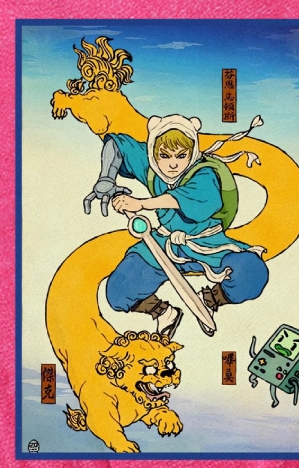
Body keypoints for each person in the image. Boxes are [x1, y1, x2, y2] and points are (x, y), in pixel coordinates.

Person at [85, 114, 268, 337]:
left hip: (207, 242)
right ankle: (163, 313)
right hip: (163, 243)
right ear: (154, 152)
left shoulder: (204, 172)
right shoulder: (151, 166)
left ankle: (211, 299)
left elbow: (183, 199)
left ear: (192, 152)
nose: (173, 164)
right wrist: (106, 179)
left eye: (181, 155)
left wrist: (141, 204)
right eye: (164, 155)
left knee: (252, 271)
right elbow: (117, 144)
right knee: (118, 291)